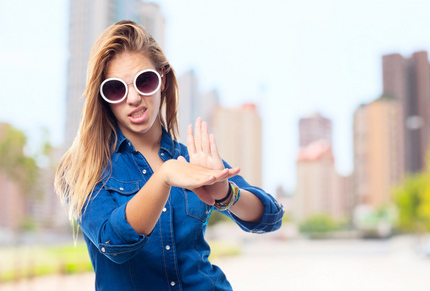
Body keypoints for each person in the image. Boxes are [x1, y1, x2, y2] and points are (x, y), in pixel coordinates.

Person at [54, 20, 284, 291]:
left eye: (144, 80)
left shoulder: (190, 160)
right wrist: (163, 177)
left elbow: (271, 218)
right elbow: (115, 244)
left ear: (162, 78)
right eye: (117, 88)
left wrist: (225, 194)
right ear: (103, 96)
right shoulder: (83, 168)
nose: (134, 98)